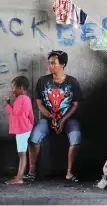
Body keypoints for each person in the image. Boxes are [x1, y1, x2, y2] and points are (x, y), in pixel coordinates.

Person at [25, 50, 83, 182]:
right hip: (47, 119)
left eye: (53, 63)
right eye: (49, 63)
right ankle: (31, 172)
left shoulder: (72, 82)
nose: (49, 66)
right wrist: (51, 117)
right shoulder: (42, 81)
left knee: (76, 136)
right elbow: (40, 104)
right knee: (34, 138)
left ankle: (69, 173)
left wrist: (62, 120)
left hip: (68, 119)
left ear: (62, 64)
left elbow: (74, 105)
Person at [5, 75, 34, 185]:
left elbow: (14, 112)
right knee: (23, 153)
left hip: (21, 130)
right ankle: (19, 175)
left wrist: (8, 104)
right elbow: (31, 116)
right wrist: (30, 125)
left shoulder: (20, 99)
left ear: (21, 88)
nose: (12, 91)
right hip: (26, 128)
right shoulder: (27, 99)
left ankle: (19, 178)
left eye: (13, 88)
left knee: (22, 154)